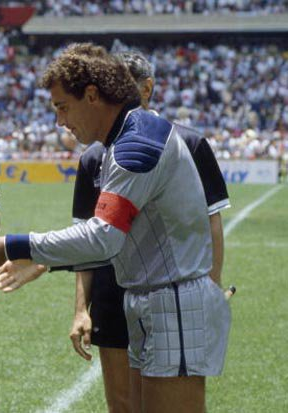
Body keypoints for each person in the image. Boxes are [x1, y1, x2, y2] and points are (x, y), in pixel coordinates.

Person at [0, 43, 231, 413]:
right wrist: (42, 261)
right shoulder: (128, 137)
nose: (59, 121)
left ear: (91, 96)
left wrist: (10, 246)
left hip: (172, 301)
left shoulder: (138, 144)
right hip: (154, 298)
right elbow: (112, 237)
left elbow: (104, 236)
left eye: (62, 107)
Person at [67, 50, 231, 413]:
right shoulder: (93, 157)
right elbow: (86, 238)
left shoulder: (187, 143)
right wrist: (81, 309)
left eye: (124, 87)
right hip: (113, 291)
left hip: (168, 291)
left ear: (147, 88)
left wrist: (212, 286)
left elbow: (211, 221)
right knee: (122, 404)